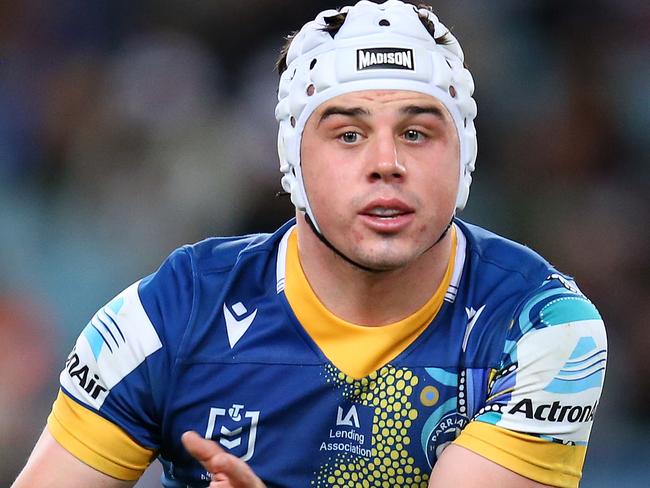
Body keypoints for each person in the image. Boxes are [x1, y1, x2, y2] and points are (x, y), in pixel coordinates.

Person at [12, 1, 607, 487]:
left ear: (465, 157)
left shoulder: (541, 327)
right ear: (292, 158)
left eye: (418, 132)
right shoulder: (165, 318)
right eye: (348, 134)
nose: (386, 164)